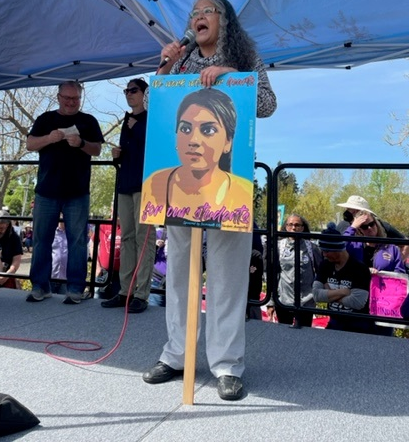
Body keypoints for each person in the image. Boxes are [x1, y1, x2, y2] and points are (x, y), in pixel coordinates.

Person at [142, 0, 277, 401]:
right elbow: (152, 103)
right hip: (180, 194)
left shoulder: (244, 55)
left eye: (207, 11)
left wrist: (232, 75)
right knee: (180, 274)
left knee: (228, 279)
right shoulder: (180, 60)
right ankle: (176, 355)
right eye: (194, 12)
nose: (198, 17)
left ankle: (227, 365)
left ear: (224, 20)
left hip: (227, 192)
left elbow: (268, 104)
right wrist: (164, 64)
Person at [26, 80, 104, 304]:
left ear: (80, 99)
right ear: (58, 97)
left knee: (77, 241)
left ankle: (76, 289)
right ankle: (40, 286)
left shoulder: (88, 121)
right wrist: (48, 139)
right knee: (41, 240)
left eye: (75, 99)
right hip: (46, 191)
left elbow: (97, 149)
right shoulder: (45, 119)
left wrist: (80, 143)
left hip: (77, 192)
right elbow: (30, 144)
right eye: (67, 98)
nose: (71, 102)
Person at [141, 88, 253, 232]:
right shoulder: (155, 184)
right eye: (186, 129)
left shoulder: (243, 192)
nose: (194, 141)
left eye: (208, 130)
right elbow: (150, 101)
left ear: (228, 142)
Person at [101, 78, 155, 314]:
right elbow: (130, 153)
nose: (128, 94)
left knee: (145, 238)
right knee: (127, 238)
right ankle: (125, 291)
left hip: (146, 184)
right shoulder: (127, 120)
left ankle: (142, 294)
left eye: (133, 90)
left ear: (145, 93)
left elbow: (156, 147)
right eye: (126, 90)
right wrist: (117, 156)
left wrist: (137, 127)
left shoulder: (152, 118)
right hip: (126, 183)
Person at [266, 214, 322, 327]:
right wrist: (271, 302)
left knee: (304, 335)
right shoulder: (279, 247)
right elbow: (273, 275)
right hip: (284, 301)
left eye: (297, 225)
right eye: (290, 224)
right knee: (284, 334)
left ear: (302, 227)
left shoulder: (312, 247)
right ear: (286, 226)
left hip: (306, 302)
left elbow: (321, 272)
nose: (293, 228)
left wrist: (318, 293)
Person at [313, 227, 371, 333]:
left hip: (358, 325)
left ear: (338, 249)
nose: (324, 255)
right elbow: (317, 295)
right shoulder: (325, 265)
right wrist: (344, 292)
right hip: (334, 322)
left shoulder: (359, 268)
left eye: (327, 251)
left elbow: (357, 302)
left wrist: (329, 293)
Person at [336, 194, 403, 238]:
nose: (369, 228)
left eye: (355, 210)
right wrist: (353, 228)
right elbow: (339, 248)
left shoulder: (382, 226)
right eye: (348, 209)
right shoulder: (342, 226)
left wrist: (396, 259)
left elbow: (408, 246)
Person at [51, 218, 68, 294]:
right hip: (51, 276)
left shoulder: (72, 234)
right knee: (47, 303)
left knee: (63, 304)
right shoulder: (51, 232)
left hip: (66, 278)